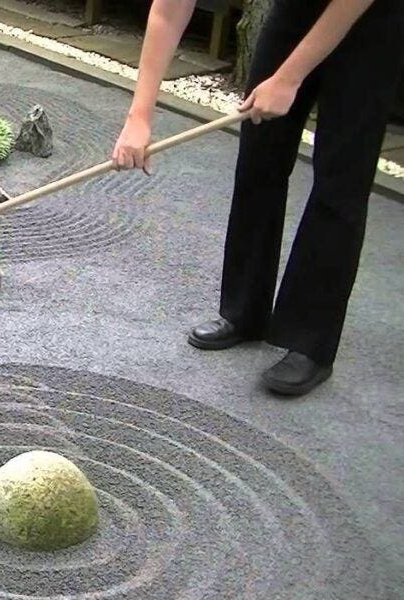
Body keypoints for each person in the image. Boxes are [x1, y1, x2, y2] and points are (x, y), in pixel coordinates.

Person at [113, 0, 403, 396]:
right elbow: (168, 10)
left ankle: (310, 341)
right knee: (259, 158)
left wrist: (289, 77)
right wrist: (139, 117)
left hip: (370, 20)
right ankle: (245, 312)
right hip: (295, 9)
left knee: (341, 179)